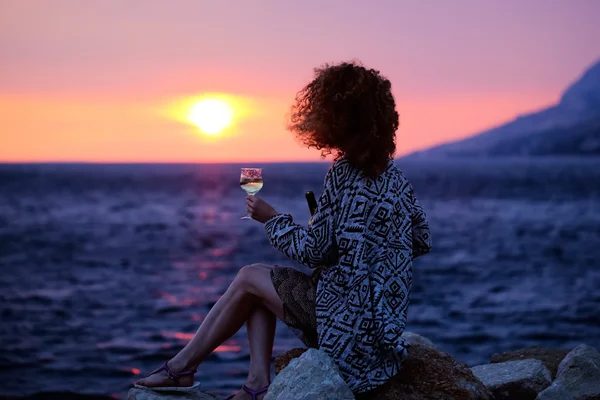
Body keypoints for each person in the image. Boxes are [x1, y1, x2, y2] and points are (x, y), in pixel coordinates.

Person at [136, 61, 432, 399]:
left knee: (249, 276)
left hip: (348, 329)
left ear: (333, 117)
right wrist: (358, 243)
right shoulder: (394, 176)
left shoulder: (344, 173)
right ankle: (257, 383)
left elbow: (315, 252)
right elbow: (420, 238)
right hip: (381, 329)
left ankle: (180, 369)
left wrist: (272, 218)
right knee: (263, 279)